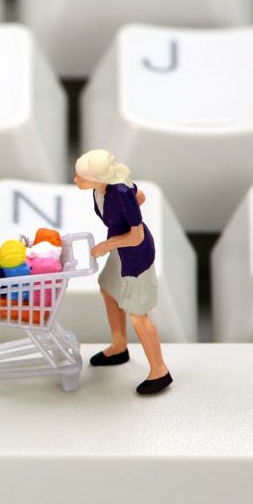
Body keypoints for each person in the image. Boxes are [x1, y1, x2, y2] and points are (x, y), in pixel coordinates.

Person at [73, 149, 172, 395]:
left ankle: (160, 370)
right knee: (108, 288)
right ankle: (119, 345)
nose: (77, 180)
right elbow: (142, 195)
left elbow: (136, 236)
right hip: (120, 249)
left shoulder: (119, 194)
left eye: (82, 177)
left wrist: (105, 245)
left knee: (138, 313)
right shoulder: (105, 188)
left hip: (135, 256)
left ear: (98, 177)